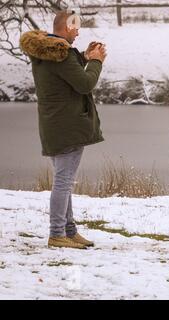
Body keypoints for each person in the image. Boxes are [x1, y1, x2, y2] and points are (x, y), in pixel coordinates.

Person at [19, 10, 107, 249]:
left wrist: (85, 57)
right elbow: (84, 83)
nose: (78, 31)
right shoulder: (63, 54)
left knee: (63, 179)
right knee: (64, 182)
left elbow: (66, 73)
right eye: (75, 27)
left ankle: (69, 230)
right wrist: (97, 61)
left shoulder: (47, 52)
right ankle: (57, 233)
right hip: (68, 125)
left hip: (54, 124)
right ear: (66, 28)